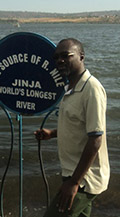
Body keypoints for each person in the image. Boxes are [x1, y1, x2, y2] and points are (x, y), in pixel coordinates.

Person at [34, 38, 110, 217]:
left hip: (84, 179)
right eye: (56, 57)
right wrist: (52, 134)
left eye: (66, 56)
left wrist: (74, 182)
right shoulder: (70, 88)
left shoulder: (91, 89)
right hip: (73, 173)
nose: (60, 61)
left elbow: (95, 139)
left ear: (81, 57)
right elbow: (80, 127)